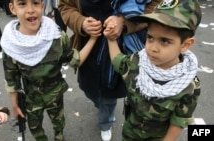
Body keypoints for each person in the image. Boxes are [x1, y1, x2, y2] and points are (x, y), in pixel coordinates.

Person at [58, 0, 161, 140]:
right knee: (89, 89)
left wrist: (125, 22)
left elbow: (157, 4)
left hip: (122, 46)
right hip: (89, 45)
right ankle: (100, 104)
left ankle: (106, 121)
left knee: (109, 96)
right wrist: (81, 23)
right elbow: (65, 6)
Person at [0, 0, 99, 140]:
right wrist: (15, 105)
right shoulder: (11, 44)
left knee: (59, 123)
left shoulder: (56, 36)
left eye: (35, 3)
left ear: (42, 6)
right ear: (12, 8)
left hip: (55, 95)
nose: (30, 10)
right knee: (35, 128)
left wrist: (93, 39)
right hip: (31, 99)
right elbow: (11, 79)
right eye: (22, 3)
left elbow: (75, 60)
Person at [103, 0, 202, 140]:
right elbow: (118, 61)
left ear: (185, 45)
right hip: (129, 133)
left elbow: (179, 121)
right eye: (150, 37)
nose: (152, 48)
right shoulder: (137, 61)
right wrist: (110, 38)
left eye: (165, 41)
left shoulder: (189, 85)